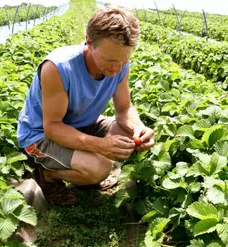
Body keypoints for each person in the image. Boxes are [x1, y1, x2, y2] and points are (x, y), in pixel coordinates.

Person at [17, 6, 154, 206]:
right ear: (89, 42)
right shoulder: (58, 68)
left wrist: (138, 128)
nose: (117, 68)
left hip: (79, 124)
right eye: (110, 60)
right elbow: (53, 127)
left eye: (124, 60)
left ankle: (81, 168)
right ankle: (47, 174)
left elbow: (124, 109)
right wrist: (100, 145)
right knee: (99, 169)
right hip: (40, 136)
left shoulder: (120, 65)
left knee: (128, 138)